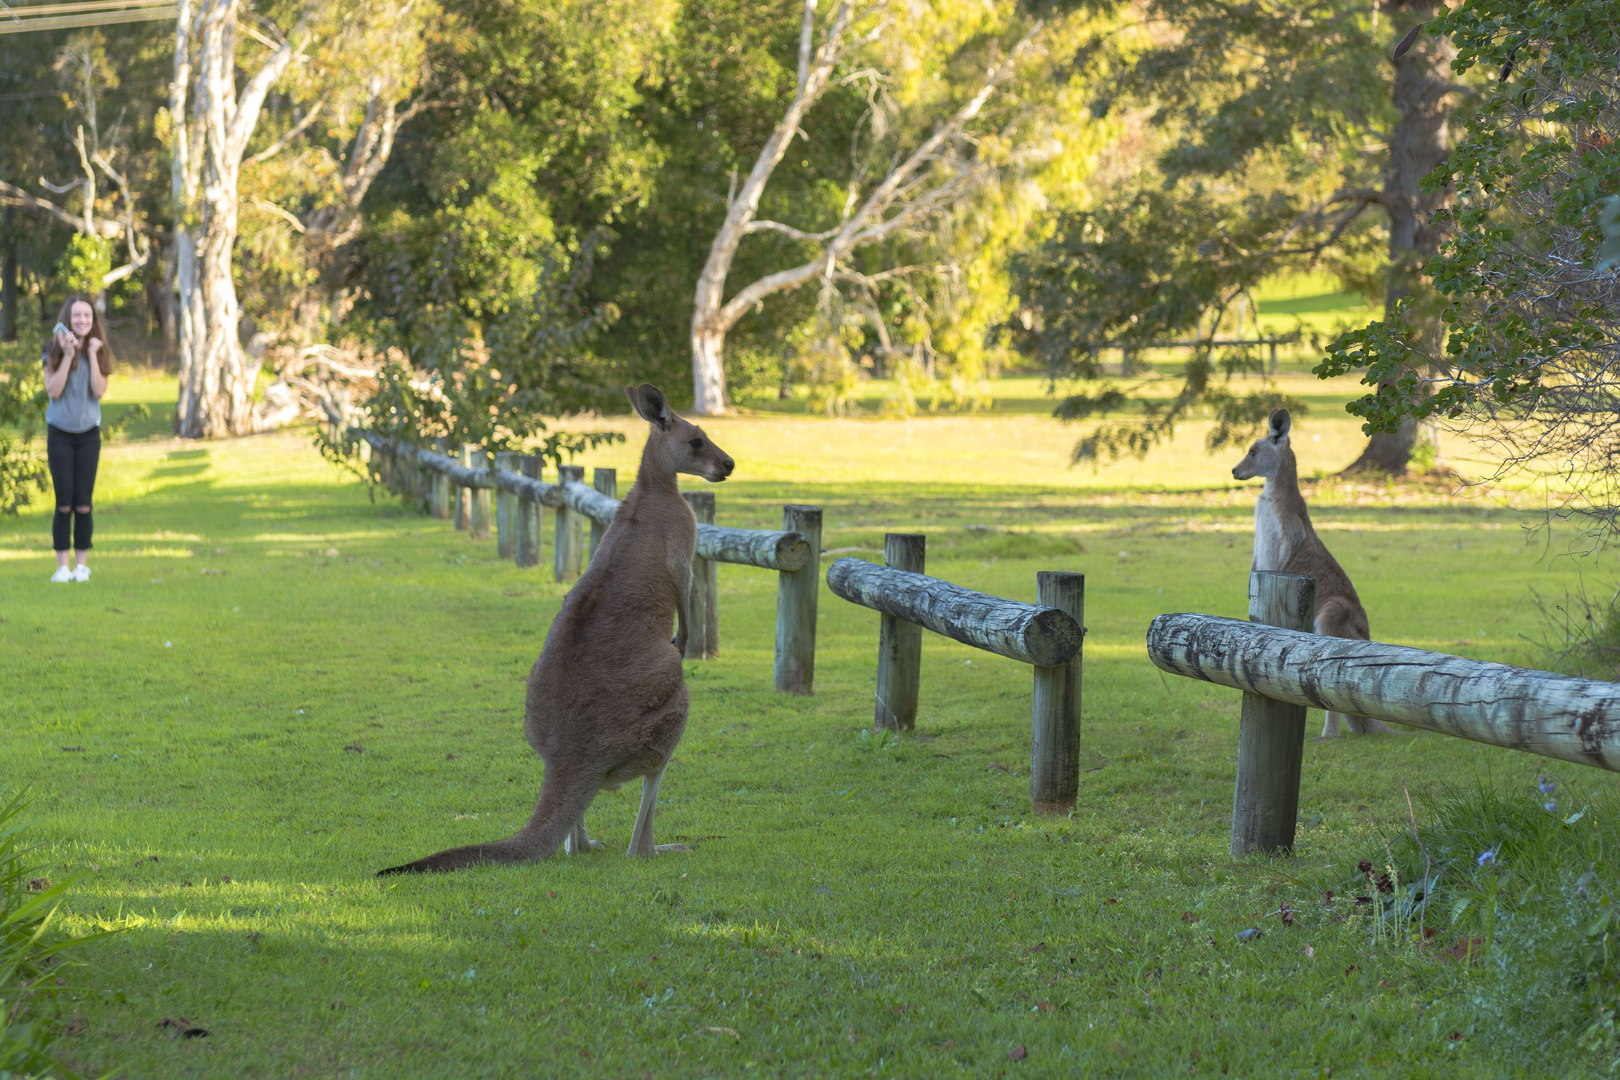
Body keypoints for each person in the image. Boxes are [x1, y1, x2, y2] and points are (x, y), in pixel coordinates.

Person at [42, 294, 110, 583]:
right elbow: (53, 392)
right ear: (68, 319)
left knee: (84, 502)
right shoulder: (53, 350)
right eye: (77, 316)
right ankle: (62, 567)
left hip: (88, 436)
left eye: (87, 316)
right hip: (60, 434)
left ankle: (82, 567)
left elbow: (99, 391)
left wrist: (92, 355)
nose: (82, 321)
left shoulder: (99, 350)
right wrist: (68, 356)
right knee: (64, 503)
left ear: (93, 321)